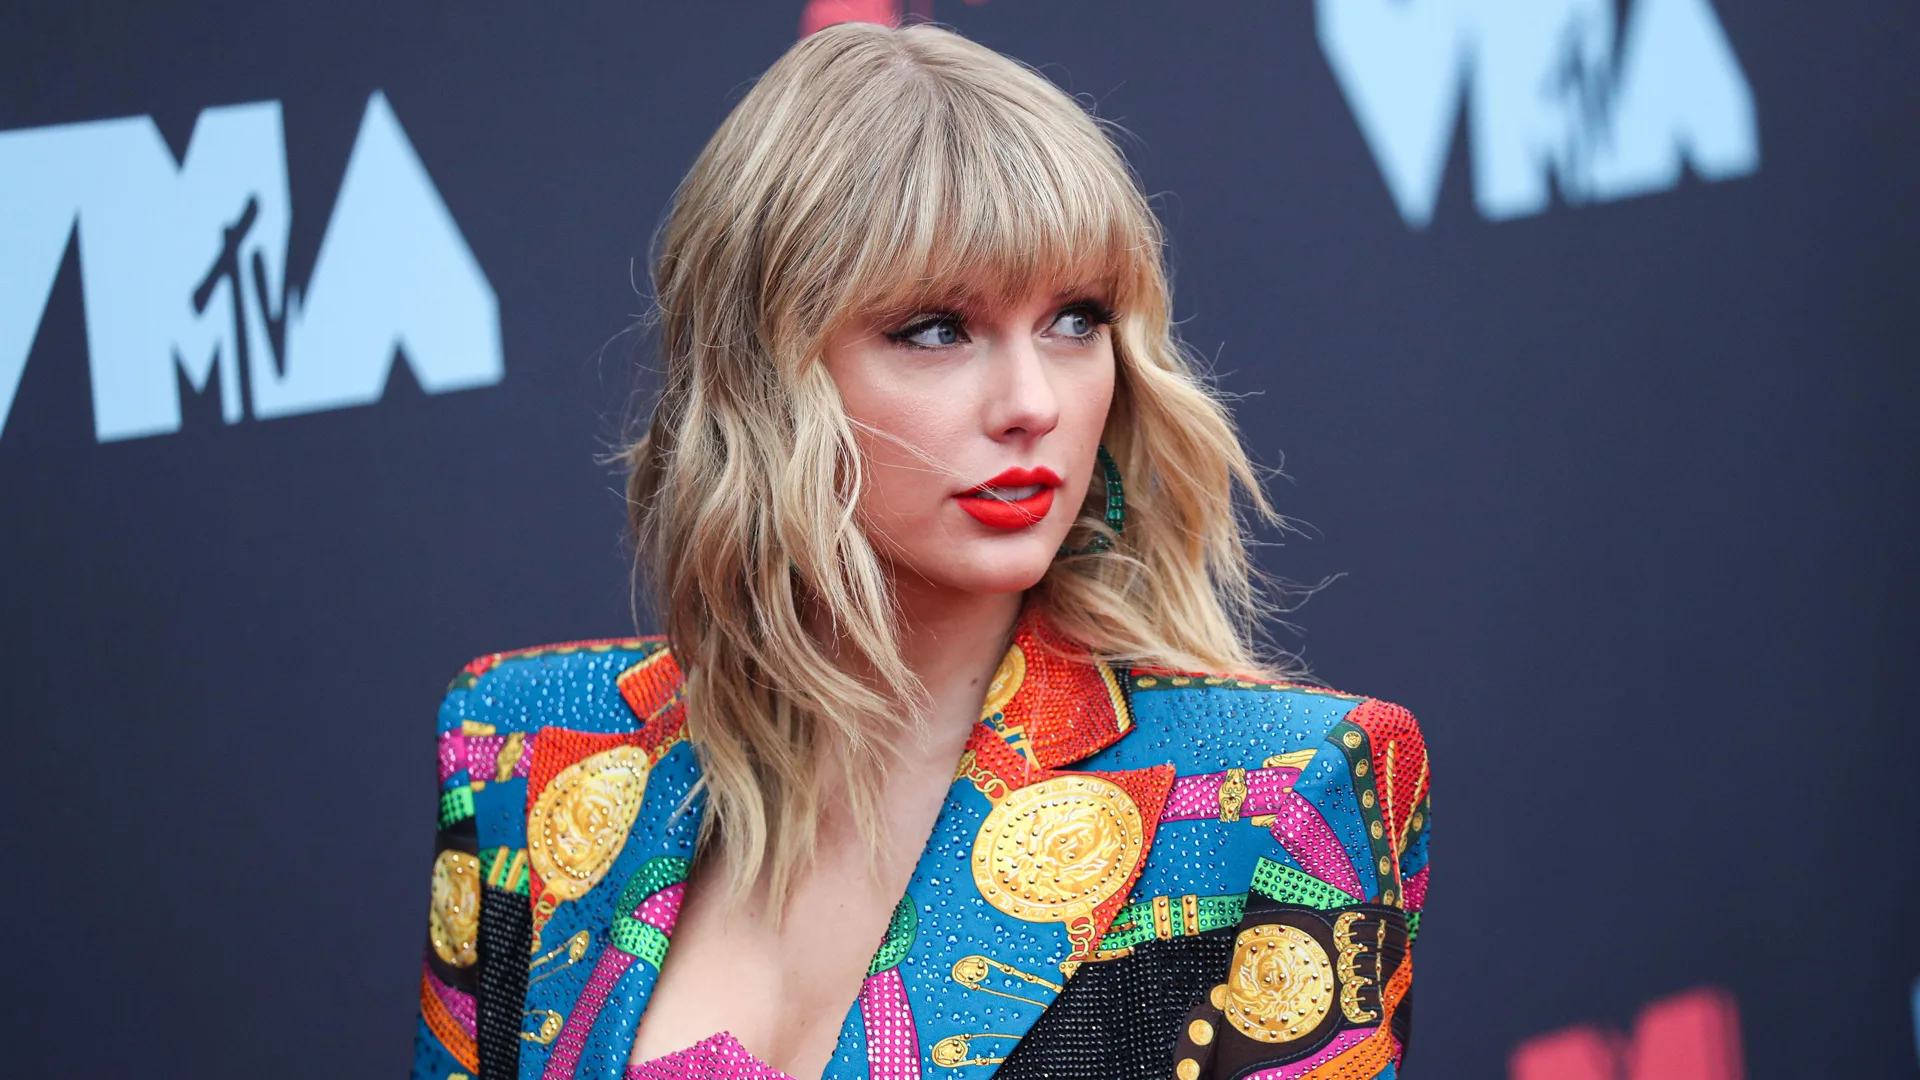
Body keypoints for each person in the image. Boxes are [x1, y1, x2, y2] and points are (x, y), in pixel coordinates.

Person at [411, 21, 1430, 1080]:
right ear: (765, 372)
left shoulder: (1267, 796)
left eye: (1077, 320)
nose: (1033, 403)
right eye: (938, 329)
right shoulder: (520, 750)